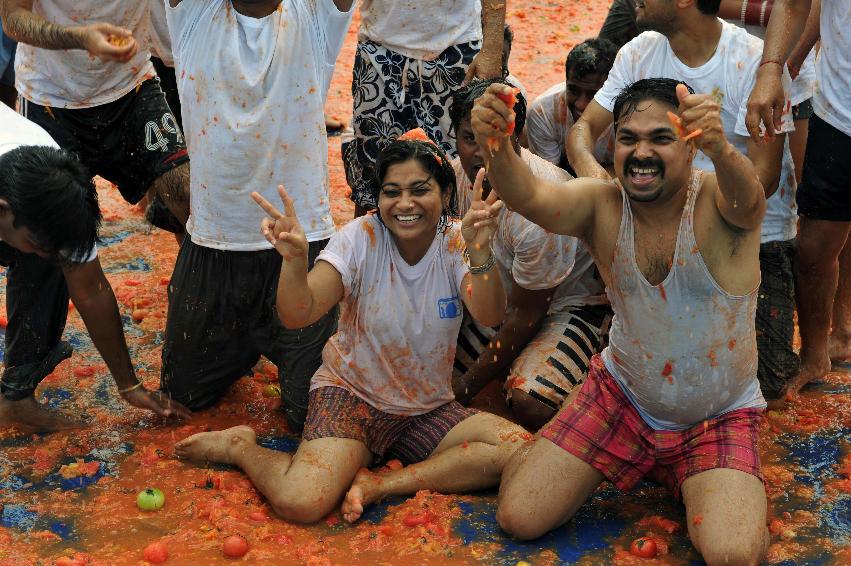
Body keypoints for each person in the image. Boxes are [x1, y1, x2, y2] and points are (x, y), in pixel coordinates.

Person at [475, 78, 769, 565]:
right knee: (519, 517)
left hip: (718, 412)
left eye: (661, 138)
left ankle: (692, 473)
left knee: (733, 555)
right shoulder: (601, 203)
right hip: (623, 396)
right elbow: (527, 196)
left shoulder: (720, 199)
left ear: (690, 146)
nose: (641, 152)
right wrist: (497, 142)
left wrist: (721, 149)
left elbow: (750, 200)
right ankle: (653, 464)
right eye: (629, 138)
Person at [175, 137, 528, 525]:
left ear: (445, 193)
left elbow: (490, 312)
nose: (405, 204)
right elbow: (299, 313)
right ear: (378, 199)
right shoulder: (361, 237)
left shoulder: (458, 239)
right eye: (391, 192)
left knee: (518, 449)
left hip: (425, 408)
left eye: (420, 190)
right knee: (301, 501)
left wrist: (480, 254)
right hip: (351, 397)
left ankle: (384, 484)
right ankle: (240, 447)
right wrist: (293, 263)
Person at [566, 0, 799, 405]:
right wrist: (599, 184)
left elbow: (767, 176)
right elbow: (583, 131)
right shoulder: (638, 51)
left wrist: (702, 198)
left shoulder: (753, 63)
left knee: (769, 386)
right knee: (646, 375)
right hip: (650, 228)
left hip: (745, 236)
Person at [160, 0, 354, 432]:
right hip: (213, 243)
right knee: (181, 397)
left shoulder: (315, 14)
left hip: (299, 249)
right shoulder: (194, 10)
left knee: (309, 415)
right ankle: (242, 343)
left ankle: (266, 343)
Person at [0, 104, 190, 431]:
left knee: (49, 254)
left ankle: (15, 401)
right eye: (32, 243)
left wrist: (129, 385)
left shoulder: (54, 187)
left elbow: (91, 290)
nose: (41, 252)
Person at [450, 79, 610, 430]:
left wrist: (466, 388)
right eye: (469, 138)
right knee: (428, 365)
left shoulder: (540, 210)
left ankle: (596, 365)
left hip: (566, 305)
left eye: (496, 140)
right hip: (504, 298)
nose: (480, 152)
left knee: (531, 400)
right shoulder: (455, 177)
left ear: (516, 138)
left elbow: (528, 313)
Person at [0, 0, 189, 236]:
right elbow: (12, 17)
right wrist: (80, 38)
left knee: (184, 195)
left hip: (133, 86)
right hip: (51, 99)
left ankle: (197, 271)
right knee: (52, 234)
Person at [747, 0, 851, 391]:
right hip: (839, 115)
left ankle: (840, 329)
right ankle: (815, 354)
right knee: (814, 249)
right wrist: (779, 64)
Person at [344, 0, 506, 217]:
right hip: (380, 46)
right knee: (374, 169)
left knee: (458, 170)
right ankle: (368, 247)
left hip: (455, 48)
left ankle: (461, 247)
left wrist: (492, 48)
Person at [718, 0, 818, 183]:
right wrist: (766, 11)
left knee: (807, 185)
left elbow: (809, 7)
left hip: (795, 68)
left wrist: (794, 60)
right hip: (729, 67)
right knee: (739, 169)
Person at [524, 38, 618, 175]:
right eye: (573, 90)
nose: (581, 104)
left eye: (593, 94)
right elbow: (550, 179)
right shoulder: (543, 112)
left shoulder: (630, 115)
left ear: (614, 89)